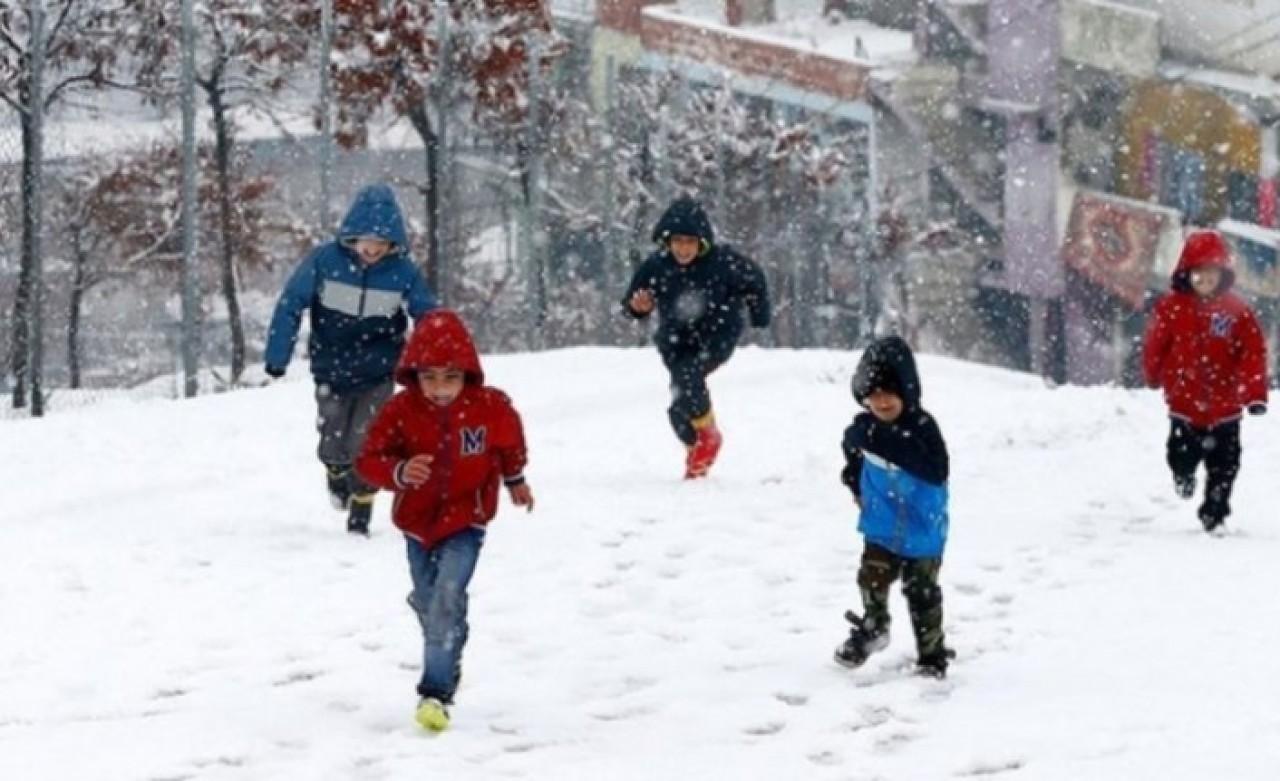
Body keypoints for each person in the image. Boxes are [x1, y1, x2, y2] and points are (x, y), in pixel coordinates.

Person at [355, 309, 533, 732]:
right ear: (413, 375)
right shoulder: (401, 410)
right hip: (417, 523)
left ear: (467, 375)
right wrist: (398, 472)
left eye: (450, 378)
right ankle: (446, 632)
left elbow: (509, 442)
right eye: (429, 378)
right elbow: (369, 459)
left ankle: (435, 692)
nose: (439, 389)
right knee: (428, 599)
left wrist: (515, 479)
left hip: (466, 519)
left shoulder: (489, 407)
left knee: (447, 595)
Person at [264, 183, 435, 535]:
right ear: (351, 237)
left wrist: (433, 359)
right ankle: (336, 471)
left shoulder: (402, 272)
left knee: (368, 439)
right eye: (366, 241)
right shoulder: (325, 262)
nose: (372, 249)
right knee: (333, 436)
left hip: (379, 371)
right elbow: (290, 304)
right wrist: (277, 355)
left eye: (381, 243)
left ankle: (363, 503)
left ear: (394, 244)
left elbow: (428, 315)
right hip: (331, 366)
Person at [621, 195, 771, 479]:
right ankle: (696, 445)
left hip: (716, 337)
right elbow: (633, 301)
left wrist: (759, 314)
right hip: (675, 341)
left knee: (690, 378)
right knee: (679, 406)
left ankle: (708, 438)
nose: (683, 249)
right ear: (667, 241)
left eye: (690, 242)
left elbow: (755, 279)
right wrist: (636, 307)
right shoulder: (657, 266)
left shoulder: (724, 262)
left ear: (702, 243)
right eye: (677, 241)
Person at [835, 336, 953, 679]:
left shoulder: (922, 428)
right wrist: (854, 482)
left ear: (907, 391)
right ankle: (874, 629)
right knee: (871, 577)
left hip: (922, 525)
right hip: (882, 522)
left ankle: (931, 655)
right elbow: (853, 453)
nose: (881, 402)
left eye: (889, 392)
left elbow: (936, 469)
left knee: (922, 592)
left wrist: (886, 442)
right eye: (872, 394)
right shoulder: (862, 429)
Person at [1142, 229, 1268, 534]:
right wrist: (1153, 372)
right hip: (1184, 402)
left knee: (1224, 466)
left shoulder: (1237, 312)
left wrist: (1254, 394)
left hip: (1226, 406)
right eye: (1198, 274)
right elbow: (1155, 343)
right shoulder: (1171, 307)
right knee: (1180, 454)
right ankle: (1183, 475)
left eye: (1211, 274)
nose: (1204, 280)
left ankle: (1215, 513)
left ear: (1222, 275)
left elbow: (1253, 353)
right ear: (1187, 273)